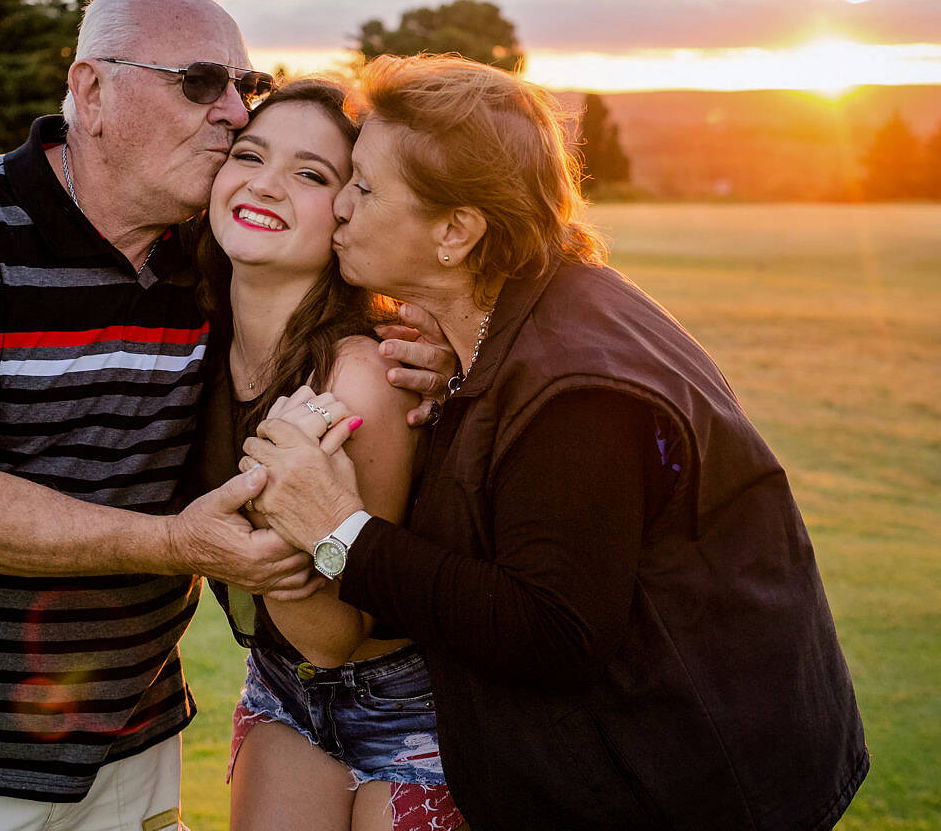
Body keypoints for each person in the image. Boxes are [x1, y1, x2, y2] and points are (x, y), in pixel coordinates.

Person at [0, 0, 452, 831]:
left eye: (242, 84)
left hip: (133, 749)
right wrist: (175, 544)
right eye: (197, 82)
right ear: (91, 90)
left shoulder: (206, 257)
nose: (230, 112)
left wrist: (433, 342)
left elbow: (325, 289)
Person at [239, 54, 870, 831]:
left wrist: (336, 533)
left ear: (456, 231)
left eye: (365, 188)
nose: (340, 205)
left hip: (682, 786)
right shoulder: (528, 318)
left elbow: (551, 631)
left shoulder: (577, 391)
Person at [185, 77, 466, 831]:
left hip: (410, 709)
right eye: (249, 154)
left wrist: (282, 498)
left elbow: (334, 637)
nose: (265, 185)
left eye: (311, 174)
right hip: (279, 688)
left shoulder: (359, 376)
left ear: (347, 213)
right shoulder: (189, 340)